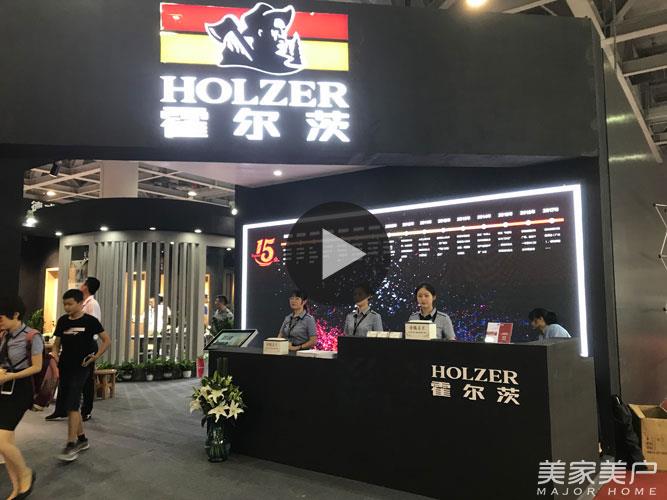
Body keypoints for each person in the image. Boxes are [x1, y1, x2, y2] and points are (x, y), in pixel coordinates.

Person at [51, 289, 110, 462]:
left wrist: (95, 357)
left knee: (72, 404)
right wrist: (54, 353)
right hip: (65, 366)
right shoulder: (63, 321)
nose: (67, 307)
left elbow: (106, 340)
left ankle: (71, 444)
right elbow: (57, 343)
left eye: (70, 304)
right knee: (71, 404)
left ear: (80, 303)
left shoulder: (90, 321)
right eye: (65, 304)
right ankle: (82, 439)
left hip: (82, 367)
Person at [0, 296, 40, 499]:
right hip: (4, 389)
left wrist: (11, 375)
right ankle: (16, 488)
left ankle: (26, 473)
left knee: (1, 441)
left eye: (1, 317)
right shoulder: (4, 336)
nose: (0, 322)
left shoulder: (32, 336)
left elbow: (37, 367)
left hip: (21, 391)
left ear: (15, 314)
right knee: (6, 444)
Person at [80, 277, 101, 421]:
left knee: (87, 379)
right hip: (79, 344)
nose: (80, 285)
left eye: (83, 283)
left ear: (86, 287)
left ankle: (86, 410)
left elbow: (92, 325)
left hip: (88, 344)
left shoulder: (92, 304)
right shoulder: (83, 303)